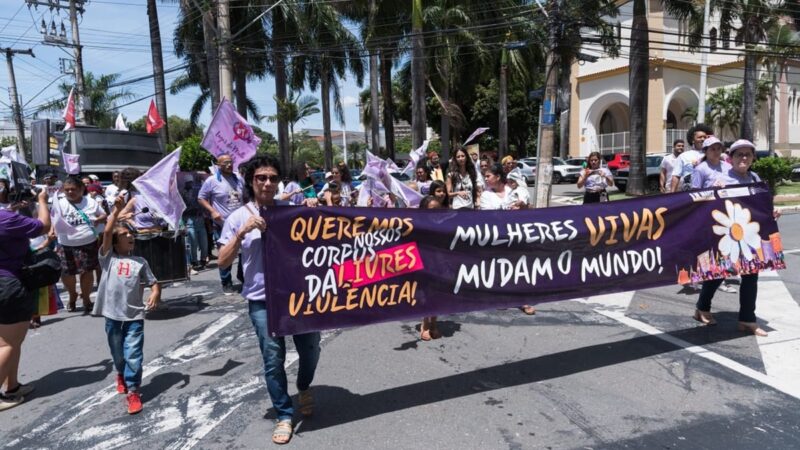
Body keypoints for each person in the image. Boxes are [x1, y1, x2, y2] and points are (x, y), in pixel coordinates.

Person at [218, 155, 320, 445]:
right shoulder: (237, 218)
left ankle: (303, 386)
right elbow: (223, 262)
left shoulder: (291, 211)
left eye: (273, 178)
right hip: (262, 300)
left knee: (311, 350)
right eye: (261, 177)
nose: (267, 183)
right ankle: (284, 414)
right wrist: (242, 233)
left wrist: (315, 210)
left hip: (298, 297)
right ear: (251, 181)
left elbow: (321, 241)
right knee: (273, 358)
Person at [693, 139, 778, 337]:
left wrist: (771, 213)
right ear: (731, 158)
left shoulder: (755, 178)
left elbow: (761, 206)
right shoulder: (722, 180)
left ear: (753, 158)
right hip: (725, 236)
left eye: (748, 154)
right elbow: (702, 206)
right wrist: (715, 192)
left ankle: (747, 319)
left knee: (751, 275)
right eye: (739, 154)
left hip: (749, 236)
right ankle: (702, 307)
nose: (744, 158)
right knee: (720, 272)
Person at [93, 195, 160, 415]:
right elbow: (106, 232)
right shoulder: (108, 259)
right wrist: (116, 211)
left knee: (133, 353)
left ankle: (133, 390)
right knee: (118, 352)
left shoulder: (140, 262)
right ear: (114, 243)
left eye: (131, 234)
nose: (130, 236)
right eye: (124, 235)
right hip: (112, 315)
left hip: (134, 316)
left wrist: (155, 293)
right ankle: (120, 373)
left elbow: (153, 282)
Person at [0, 188, 50, 411]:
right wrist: (42, 200)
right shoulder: (5, 218)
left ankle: (12, 386)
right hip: (8, 282)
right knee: (7, 343)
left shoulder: (7, 216)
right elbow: (43, 226)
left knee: (12, 341)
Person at [480, 164, 535, 315]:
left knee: (519, 266)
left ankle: (522, 300)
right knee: (499, 267)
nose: (486, 179)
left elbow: (529, 209)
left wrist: (522, 207)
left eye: (488, 176)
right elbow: (487, 217)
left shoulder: (514, 189)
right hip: (497, 236)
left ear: (498, 177)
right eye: (485, 176)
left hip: (516, 234)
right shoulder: (486, 195)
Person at [54, 176, 106, 313]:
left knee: (87, 272)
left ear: (81, 189)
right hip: (65, 244)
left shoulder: (91, 202)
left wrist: (97, 220)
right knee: (66, 273)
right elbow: (53, 220)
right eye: (67, 190)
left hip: (88, 243)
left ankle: (86, 299)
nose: (70, 192)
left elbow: (103, 215)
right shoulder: (59, 203)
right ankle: (72, 295)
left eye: (73, 189)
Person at [198, 154, 244, 295]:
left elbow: (247, 197)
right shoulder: (212, 181)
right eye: (226, 162)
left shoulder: (239, 179)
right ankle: (226, 282)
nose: (229, 165)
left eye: (231, 162)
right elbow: (201, 198)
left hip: (241, 222)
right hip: (222, 224)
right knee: (225, 252)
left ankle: (242, 276)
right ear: (218, 165)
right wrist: (212, 211)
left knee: (244, 251)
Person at [418, 195, 443, 341]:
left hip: (439, 262)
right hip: (424, 262)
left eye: (438, 209)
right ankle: (425, 324)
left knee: (438, 294)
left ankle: (434, 323)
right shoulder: (418, 224)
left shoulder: (444, 223)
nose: (436, 212)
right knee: (426, 293)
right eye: (432, 209)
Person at [671, 124, 713, 192]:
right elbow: (676, 176)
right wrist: (671, 194)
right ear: (693, 140)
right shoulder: (684, 156)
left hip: (708, 192)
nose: (703, 139)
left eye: (705, 137)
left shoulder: (713, 155)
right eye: (700, 137)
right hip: (688, 193)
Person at [181, 174, 208, 273]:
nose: (191, 184)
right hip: (189, 220)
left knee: (204, 242)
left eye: (192, 182)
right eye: (189, 183)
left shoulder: (197, 191)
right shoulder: (183, 193)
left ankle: (203, 259)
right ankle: (194, 261)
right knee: (193, 242)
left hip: (200, 219)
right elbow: (188, 205)